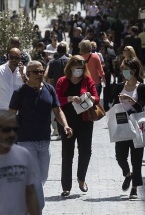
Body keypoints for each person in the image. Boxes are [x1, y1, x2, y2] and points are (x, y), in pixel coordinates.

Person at [9, 60, 73, 211]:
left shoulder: (50, 89)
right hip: (25, 141)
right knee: (36, 176)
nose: (39, 74)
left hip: (45, 140)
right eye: (36, 72)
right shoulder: (20, 92)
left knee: (42, 177)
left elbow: (57, 110)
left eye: (41, 71)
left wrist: (65, 125)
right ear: (28, 74)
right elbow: (10, 114)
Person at [55, 55, 99, 197]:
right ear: (70, 67)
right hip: (67, 122)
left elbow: (96, 97)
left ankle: (81, 179)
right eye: (76, 67)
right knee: (67, 153)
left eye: (81, 68)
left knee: (85, 151)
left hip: (85, 121)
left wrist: (92, 98)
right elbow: (55, 100)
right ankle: (66, 186)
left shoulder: (87, 80)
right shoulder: (62, 81)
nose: (79, 70)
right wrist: (69, 98)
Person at [112, 57, 145, 199]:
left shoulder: (141, 87)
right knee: (120, 156)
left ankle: (134, 188)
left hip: (137, 126)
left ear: (132, 71)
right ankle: (128, 174)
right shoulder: (120, 86)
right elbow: (114, 105)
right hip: (122, 126)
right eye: (122, 69)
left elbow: (142, 107)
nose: (123, 72)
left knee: (136, 159)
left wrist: (131, 101)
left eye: (125, 69)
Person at [0, 48, 26, 119]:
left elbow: (29, 87)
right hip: (2, 112)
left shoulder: (24, 70)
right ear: (8, 56)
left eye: (17, 58)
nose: (14, 60)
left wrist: (22, 74)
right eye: (12, 57)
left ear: (20, 58)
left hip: (19, 113)